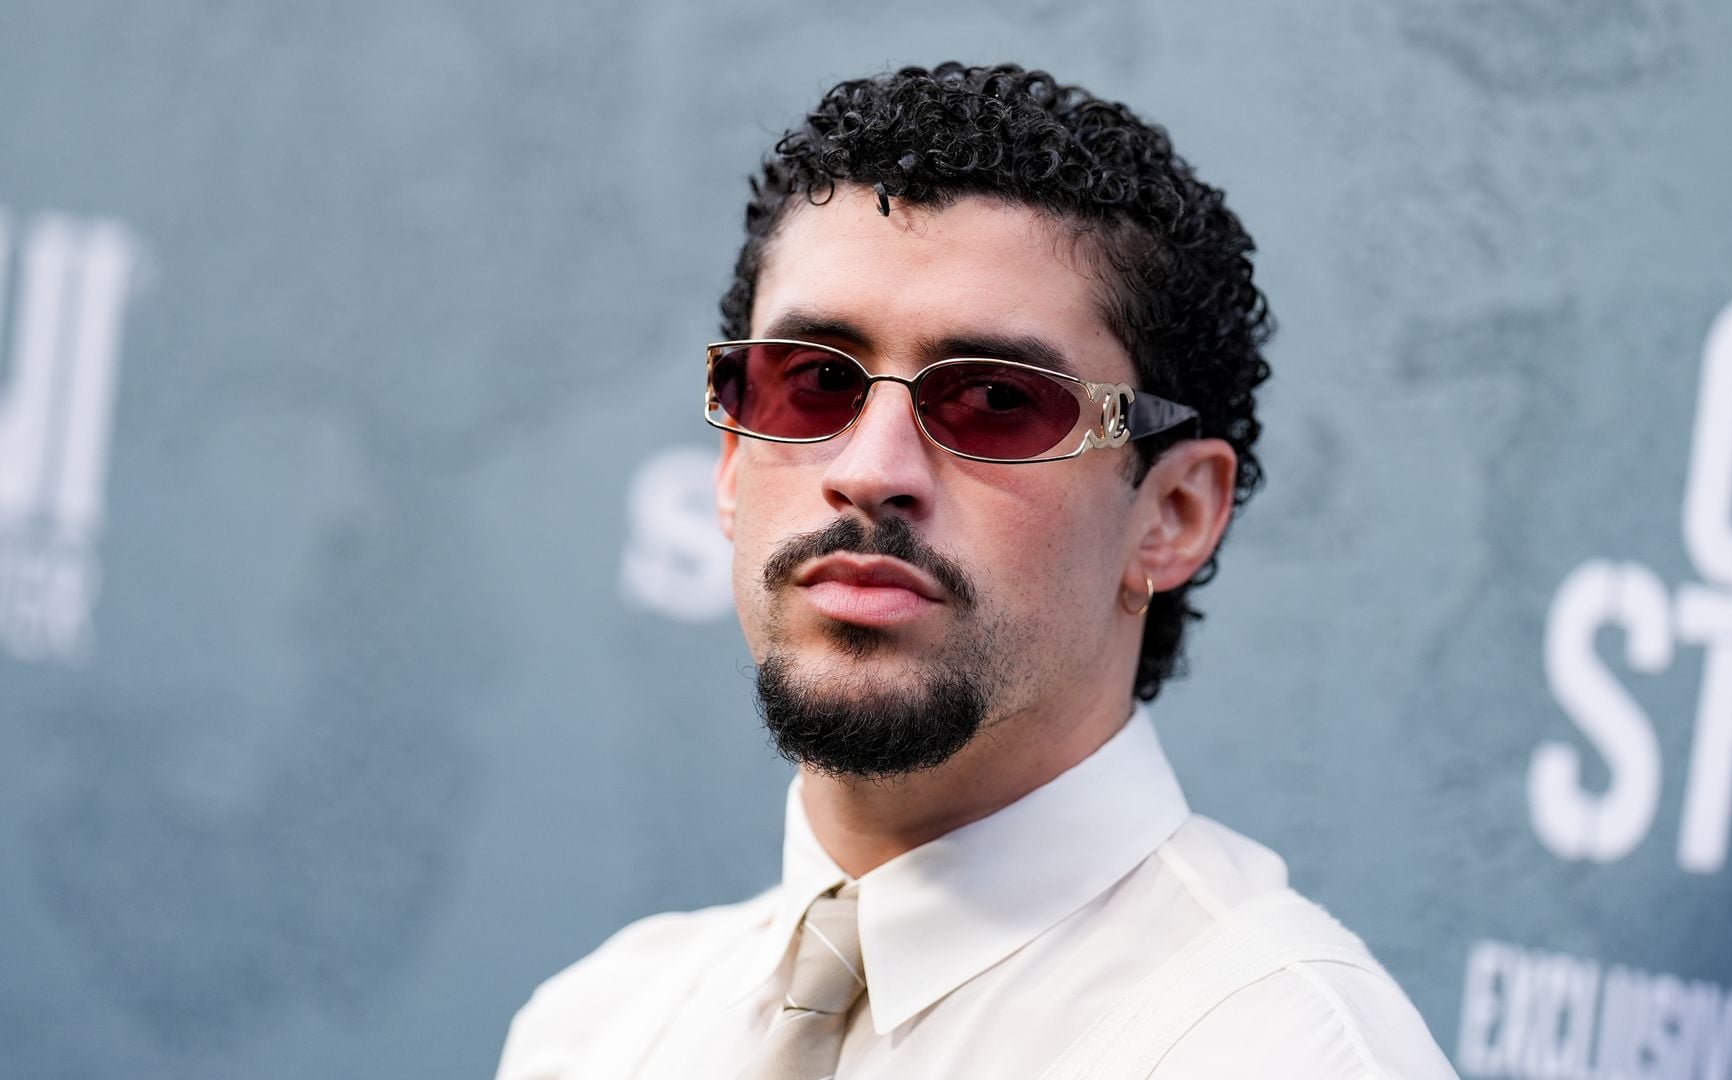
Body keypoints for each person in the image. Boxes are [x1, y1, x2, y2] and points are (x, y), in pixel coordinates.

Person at [496, 62, 1457, 1080]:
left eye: (998, 402)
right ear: (731, 462)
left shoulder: (1278, 1052)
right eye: (814, 384)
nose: (869, 473)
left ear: (1171, 517)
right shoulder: (600, 1030)